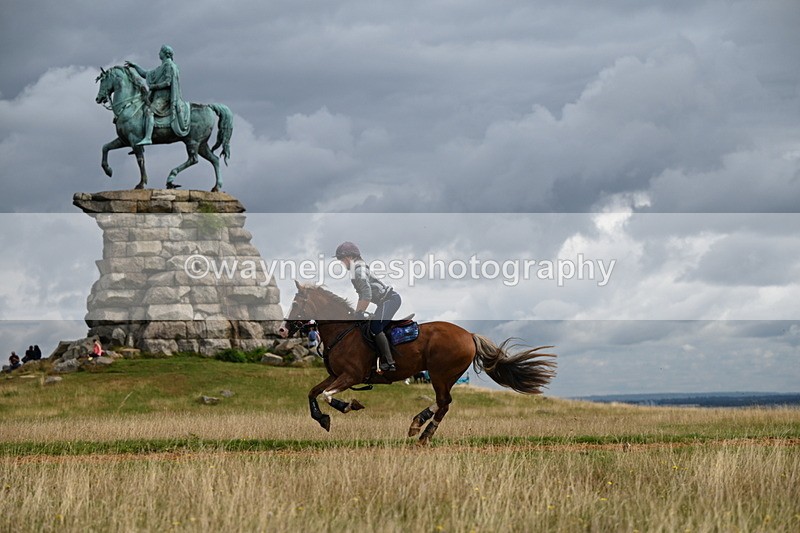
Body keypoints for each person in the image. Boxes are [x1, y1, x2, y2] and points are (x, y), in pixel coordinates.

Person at [335, 241, 402, 373]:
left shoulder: (358, 271)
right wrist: (357, 313)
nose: (342, 263)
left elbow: (367, 295)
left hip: (390, 300)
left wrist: (360, 312)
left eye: (341, 260)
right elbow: (362, 296)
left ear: (348, 257)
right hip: (385, 301)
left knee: (375, 328)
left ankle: (389, 363)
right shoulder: (357, 271)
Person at [125, 44, 190, 144]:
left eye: (160, 51)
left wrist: (155, 86)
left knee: (149, 111)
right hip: (157, 97)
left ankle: (148, 137)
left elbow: (168, 82)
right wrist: (135, 66)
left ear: (164, 53)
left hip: (165, 98)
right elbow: (145, 74)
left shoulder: (169, 66)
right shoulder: (161, 67)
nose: (158, 53)